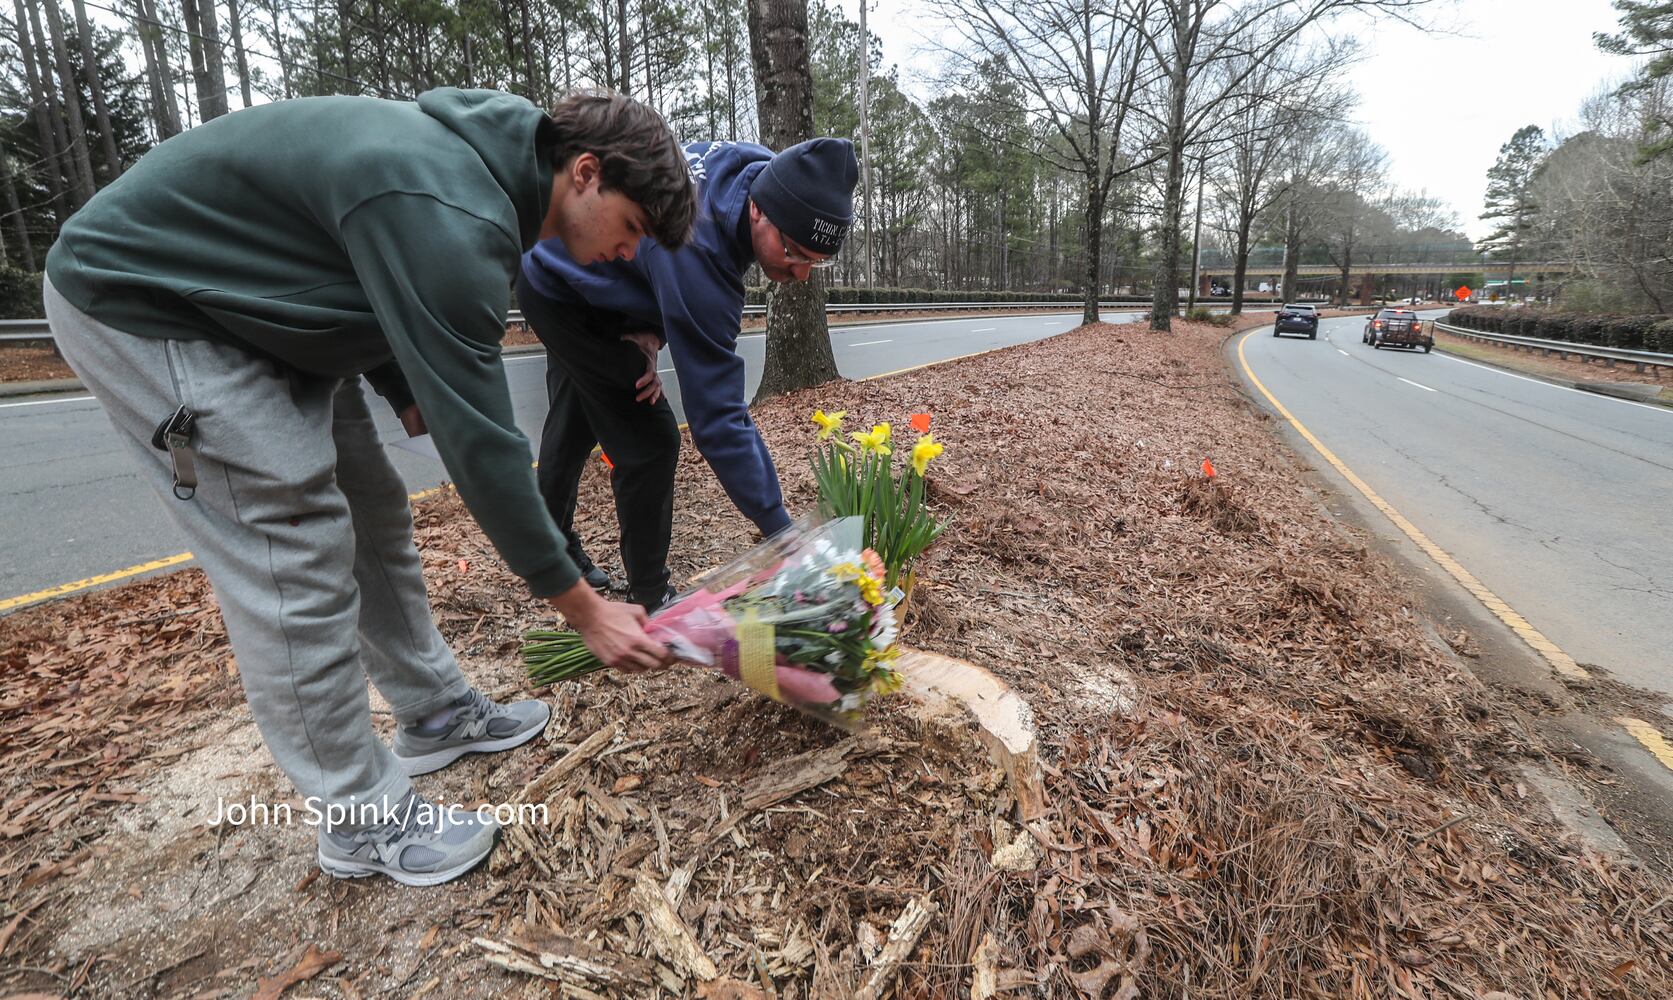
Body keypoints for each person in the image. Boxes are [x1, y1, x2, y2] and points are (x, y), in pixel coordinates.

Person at [42, 88, 695, 886]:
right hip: (150, 305)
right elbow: (483, 442)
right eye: (631, 231)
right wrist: (583, 608)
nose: (629, 256)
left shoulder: (476, 177)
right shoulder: (451, 205)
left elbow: (355, 250)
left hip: (263, 311)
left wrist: (400, 382)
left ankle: (433, 712)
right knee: (293, 547)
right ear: (587, 172)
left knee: (373, 508)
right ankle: (357, 816)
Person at [518, 137, 859, 610]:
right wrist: (783, 533)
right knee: (650, 439)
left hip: (585, 270)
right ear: (759, 211)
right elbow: (718, 419)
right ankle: (651, 595)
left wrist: (650, 329)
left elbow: (656, 262)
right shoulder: (699, 245)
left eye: (815, 263)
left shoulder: (758, 172)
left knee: (574, 418)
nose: (801, 274)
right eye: (795, 251)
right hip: (562, 290)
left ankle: (546, 551)